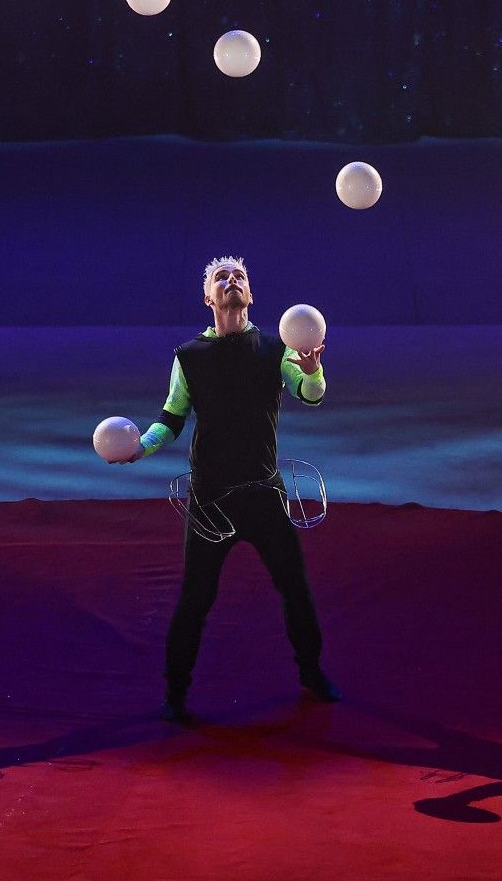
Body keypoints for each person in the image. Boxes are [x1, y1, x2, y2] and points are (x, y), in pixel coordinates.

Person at [118, 255, 339, 723]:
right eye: (221, 277)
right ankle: (175, 694)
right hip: (210, 501)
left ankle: (312, 672)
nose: (231, 281)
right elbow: (171, 418)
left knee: (295, 588)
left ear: (250, 294)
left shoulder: (276, 349)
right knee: (195, 599)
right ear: (208, 298)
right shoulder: (189, 356)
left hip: (264, 494)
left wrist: (313, 370)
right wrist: (140, 447)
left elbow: (310, 395)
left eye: (239, 276)